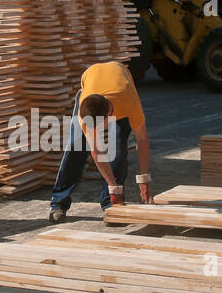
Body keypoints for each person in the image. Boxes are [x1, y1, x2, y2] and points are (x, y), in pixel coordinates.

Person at [49, 60, 153, 222]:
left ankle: (110, 204)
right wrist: (113, 185)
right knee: (76, 148)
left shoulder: (129, 103)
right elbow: (97, 151)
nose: (97, 130)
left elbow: (142, 140)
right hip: (91, 82)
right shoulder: (86, 113)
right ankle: (58, 203)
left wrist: (144, 181)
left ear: (110, 115)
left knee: (118, 149)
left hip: (121, 82)